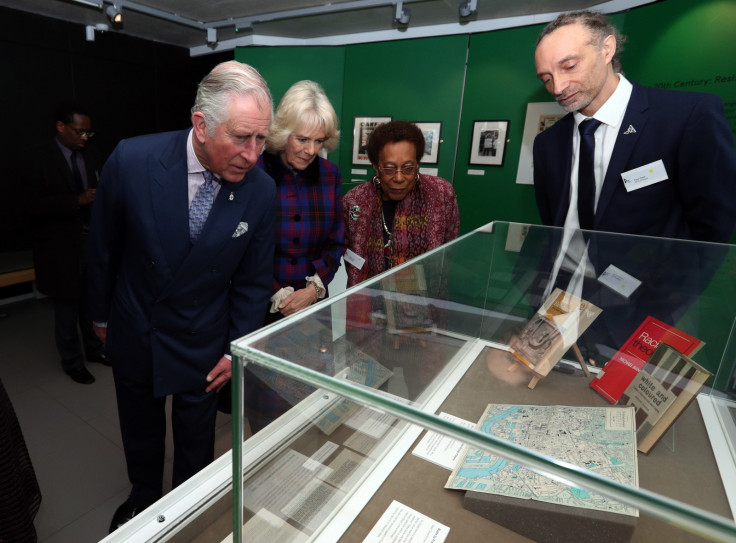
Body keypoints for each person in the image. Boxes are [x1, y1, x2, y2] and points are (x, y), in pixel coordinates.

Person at [86, 61, 277, 532]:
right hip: (136, 323)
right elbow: (102, 246)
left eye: (261, 139)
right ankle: (144, 499)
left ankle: (187, 510)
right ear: (201, 124)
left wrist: (237, 349)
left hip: (205, 338)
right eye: (240, 138)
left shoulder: (262, 191)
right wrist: (98, 316)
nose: (252, 155)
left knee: (196, 438)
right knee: (140, 428)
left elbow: (254, 282)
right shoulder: (132, 160)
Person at [532, 10, 736, 243]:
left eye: (569, 66)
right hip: (558, 277)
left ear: (606, 49)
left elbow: (714, 221)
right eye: (546, 79)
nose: (558, 88)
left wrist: (680, 279)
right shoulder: (547, 143)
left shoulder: (687, 116)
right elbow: (552, 223)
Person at [245, 80, 345, 432]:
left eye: (319, 142)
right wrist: (279, 293)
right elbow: (243, 251)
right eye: (302, 139)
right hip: (262, 310)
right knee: (264, 406)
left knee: (309, 401)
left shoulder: (330, 175)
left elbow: (336, 241)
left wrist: (314, 289)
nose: (310, 150)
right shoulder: (254, 172)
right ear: (283, 131)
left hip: (312, 310)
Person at [28, 101, 108, 385]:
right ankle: (72, 362)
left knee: (91, 300)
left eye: (88, 133)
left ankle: (95, 350)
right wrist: (76, 201)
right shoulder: (38, 157)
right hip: (58, 248)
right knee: (66, 308)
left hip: (90, 241)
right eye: (78, 132)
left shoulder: (91, 154)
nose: (84, 138)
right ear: (60, 127)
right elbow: (30, 205)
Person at [342, 120, 459, 289]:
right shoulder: (354, 200)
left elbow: (449, 247)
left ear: (417, 165)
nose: (398, 178)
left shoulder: (441, 193)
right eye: (389, 169)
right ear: (376, 167)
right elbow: (348, 254)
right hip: (369, 300)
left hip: (426, 300)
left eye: (408, 168)